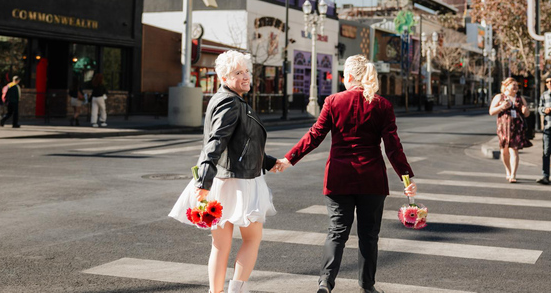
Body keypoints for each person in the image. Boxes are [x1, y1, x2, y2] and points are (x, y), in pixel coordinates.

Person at [274, 55, 416, 293]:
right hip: (372, 178)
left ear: (348, 76)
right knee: (369, 236)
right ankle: (367, 286)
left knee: (337, 232)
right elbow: (393, 147)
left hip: (339, 177)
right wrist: (406, 178)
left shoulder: (333, 101)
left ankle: (325, 283)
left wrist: (289, 159)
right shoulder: (382, 105)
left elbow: (315, 135)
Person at [169, 50, 279, 293]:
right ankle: (236, 291)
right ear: (224, 77)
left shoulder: (227, 99)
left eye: (247, 71)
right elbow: (216, 142)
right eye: (238, 73)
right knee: (251, 238)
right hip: (235, 181)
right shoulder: (230, 101)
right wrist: (203, 183)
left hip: (224, 178)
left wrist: (268, 161)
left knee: (221, 245)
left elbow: (239, 144)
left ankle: (216, 292)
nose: (246, 76)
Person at [489, 77, 532, 182]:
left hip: (517, 128)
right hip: (503, 128)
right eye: (513, 85)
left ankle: (513, 174)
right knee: (504, 151)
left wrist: (525, 110)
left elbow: (527, 114)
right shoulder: (500, 97)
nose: (516, 87)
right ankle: (508, 170)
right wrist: (501, 107)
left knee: (514, 151)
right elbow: (491, 111)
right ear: (506, 86)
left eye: (517, 85)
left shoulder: (520, 98)